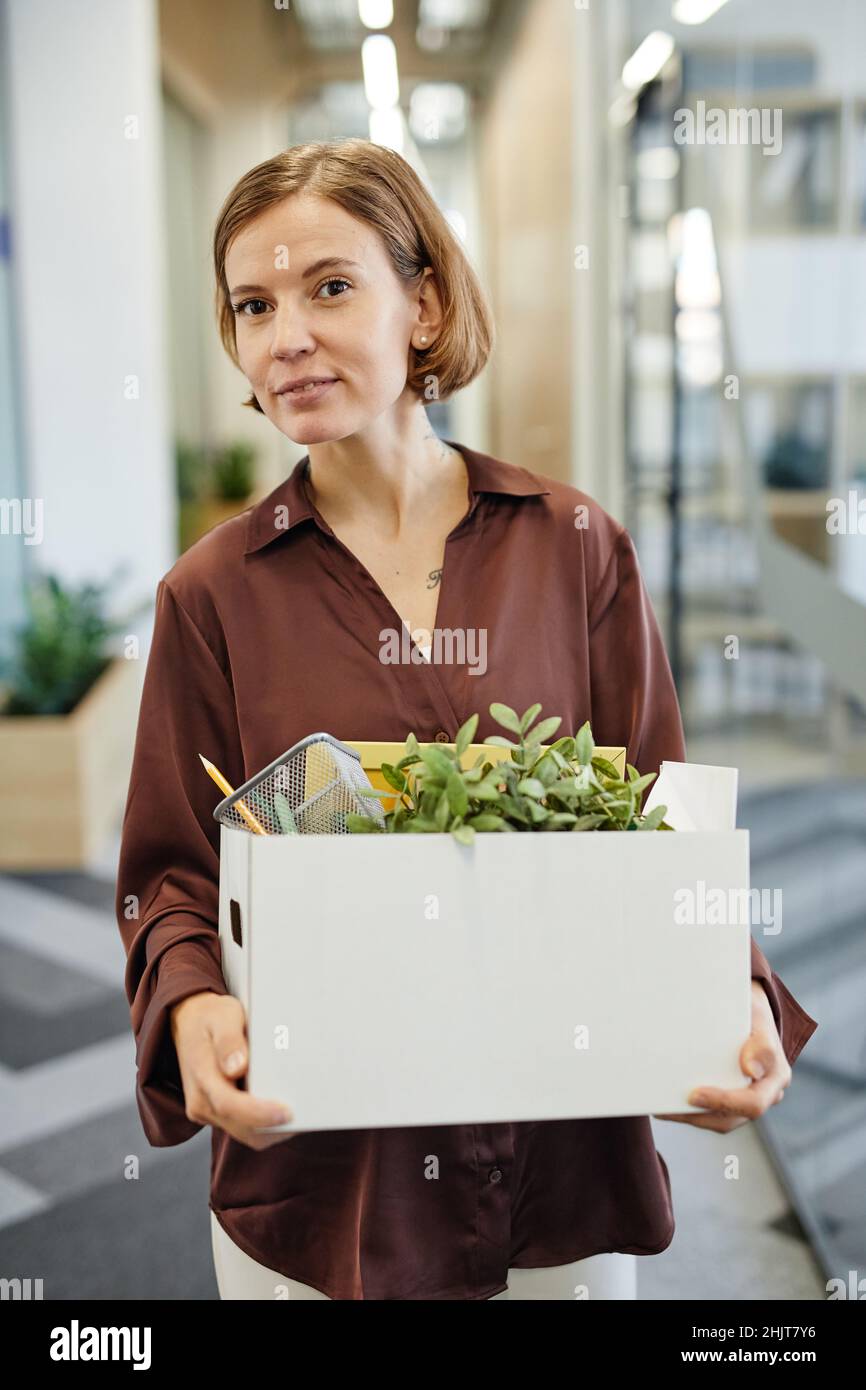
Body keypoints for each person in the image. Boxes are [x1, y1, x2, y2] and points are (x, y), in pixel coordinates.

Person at [115, 138, 818, 1302]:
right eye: (252, 303)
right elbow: (170, 872)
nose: (284, 334)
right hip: (326, 1171)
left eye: (328, 287)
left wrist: (725, 993)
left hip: (551, 1155)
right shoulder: (213, 592)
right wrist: (190, 1004)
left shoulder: (571, 544)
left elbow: (660, 818)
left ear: (423, 301)